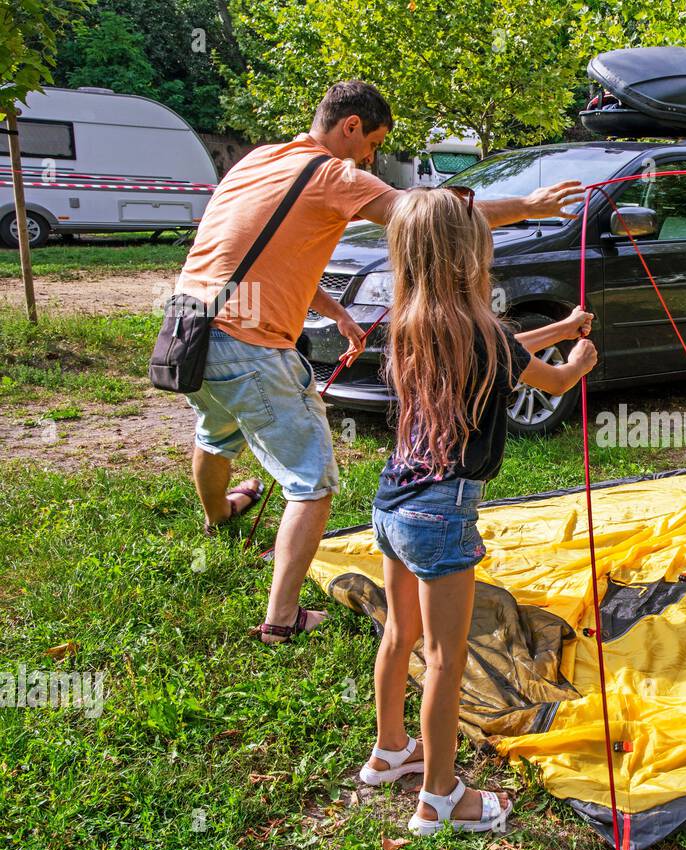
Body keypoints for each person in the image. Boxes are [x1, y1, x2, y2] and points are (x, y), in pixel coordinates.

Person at [173, 80, 584, 644]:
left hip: (187, 334)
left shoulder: (260, 161)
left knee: (215, 430)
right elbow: (430, 219)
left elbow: (257, 255)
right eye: (372, 144)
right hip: (250, 345)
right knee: (311, 484)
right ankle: (281, 619)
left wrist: (336, 311)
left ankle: (218, 515)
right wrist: (528, 206)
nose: (370, 158)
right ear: (350, 127)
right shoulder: (332, 174)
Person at [357, 188, 597, 833]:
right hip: (442, 516)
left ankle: (389, 753)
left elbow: (509, 346)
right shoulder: (483, 333)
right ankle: (441, 799)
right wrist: (577, 358)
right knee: (445, 659)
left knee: (399, 635)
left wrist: (559, 329)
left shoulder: (410, 322)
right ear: (470, 254)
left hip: (392, 506)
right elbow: (550, 379)